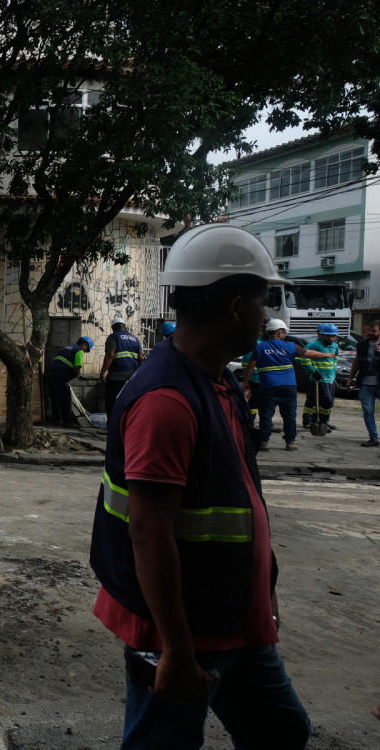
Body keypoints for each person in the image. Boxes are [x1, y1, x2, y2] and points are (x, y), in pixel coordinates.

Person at [89, 223, 310, 749]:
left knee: (281, 732)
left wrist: (264, 587)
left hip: (234, 614)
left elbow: (239, 499)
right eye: (263, 301)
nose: (266, 315)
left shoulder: (218, 379)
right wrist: (176, 652)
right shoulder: (167, 400)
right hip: (189, 631)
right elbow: (148, 533)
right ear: (236, 306)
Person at [240, 319, 333, 451]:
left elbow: (250, 366)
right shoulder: (290, 346)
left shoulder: (260, 347)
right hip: (288, 387)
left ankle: (264, 442)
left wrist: (245, 382)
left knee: (266, 415)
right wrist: (326, 354)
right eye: (283, 332)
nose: (284, 335)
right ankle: (290, 442)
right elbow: (310, 353)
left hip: (267, 387)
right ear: (280, 333)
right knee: (289, 415)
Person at [45, 335, 93, 426]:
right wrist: (71, 377)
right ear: (85, 345)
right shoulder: (79, 351)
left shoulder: (67, 347)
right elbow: (77, 368)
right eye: (86, 350)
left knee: (55, 396)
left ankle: (57, 419)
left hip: (51, 372)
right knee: (66, 397)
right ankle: (67, 421)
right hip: (61, 373)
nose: (85, 351)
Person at [300, 323, 339, 432]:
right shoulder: (314, 345)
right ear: (322, 335)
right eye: (328, 335)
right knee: (317, 401)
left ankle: (324, 422)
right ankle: (310, 421)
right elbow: (304, 359)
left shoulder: (335, 346)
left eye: (333, 336)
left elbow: (335, 361)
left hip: (330, 379)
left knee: (328, 402)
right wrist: (313, 371)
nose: (331, 338)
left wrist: (333, 375)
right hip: (318, 379)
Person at [348, 319, 380, 447]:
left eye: (374, 331)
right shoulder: (362, 344)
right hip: (365, 383)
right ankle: (373, 438)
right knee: (368, 411)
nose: (370, 333)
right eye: (369, 330)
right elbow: (357, 361)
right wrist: (350, 378)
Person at [101, 316, 143, 409]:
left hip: (116, 376)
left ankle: (112, 422)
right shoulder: (135, 339)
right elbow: (140, 357)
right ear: (124, 326)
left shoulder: (113, 337)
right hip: (132, 377)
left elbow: (110, 355)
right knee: (129, 402)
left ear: (113, 328)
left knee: (111, 400)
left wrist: (103, 371)